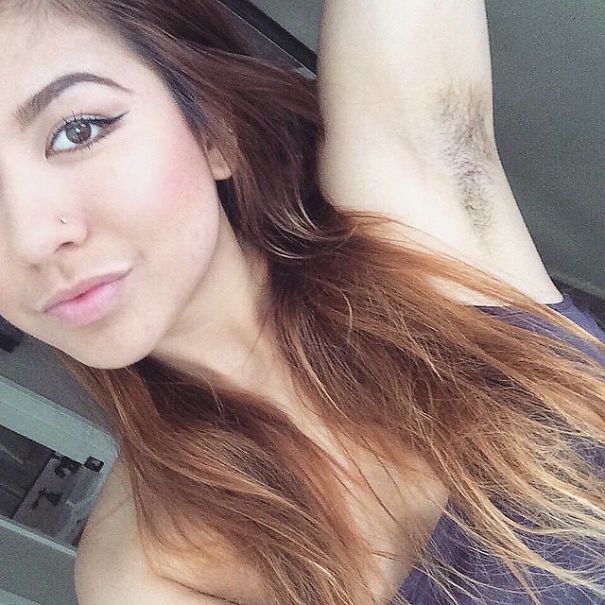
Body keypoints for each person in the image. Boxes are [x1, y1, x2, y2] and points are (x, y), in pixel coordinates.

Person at [0, 1, 603, 604]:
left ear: (214, 131)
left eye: (77, 131)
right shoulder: (147, 573)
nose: (30, 239)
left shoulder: (410, 212)